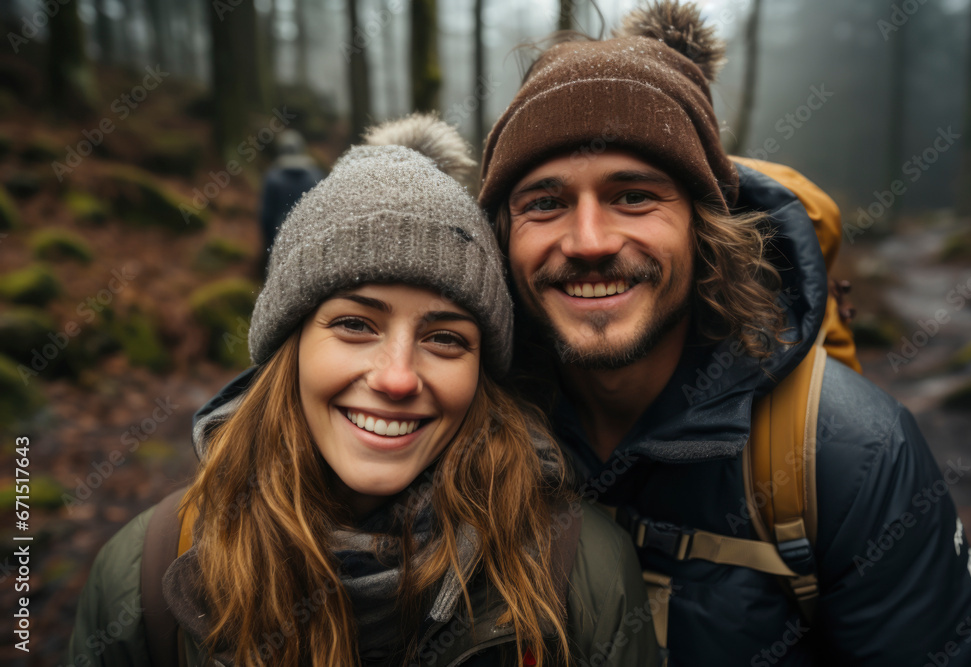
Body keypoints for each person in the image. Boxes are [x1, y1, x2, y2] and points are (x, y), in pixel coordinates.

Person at [476, 1, 971, 665]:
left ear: (706, 227)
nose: (589, 241)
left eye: (634, 195)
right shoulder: (468, 418)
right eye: (544, 202)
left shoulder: (849, 455)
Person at [68, 116, 659, 667]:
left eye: (445, 338)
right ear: (290, 344)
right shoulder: (143, 572)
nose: (397, 378)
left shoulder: (582, 569)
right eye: (355, 325)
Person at [258, 129, 325, 265]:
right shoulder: (315, 175)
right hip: (311, 240)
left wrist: (268, 243)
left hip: (279, 239)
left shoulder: (272, 178)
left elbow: (266, 216)